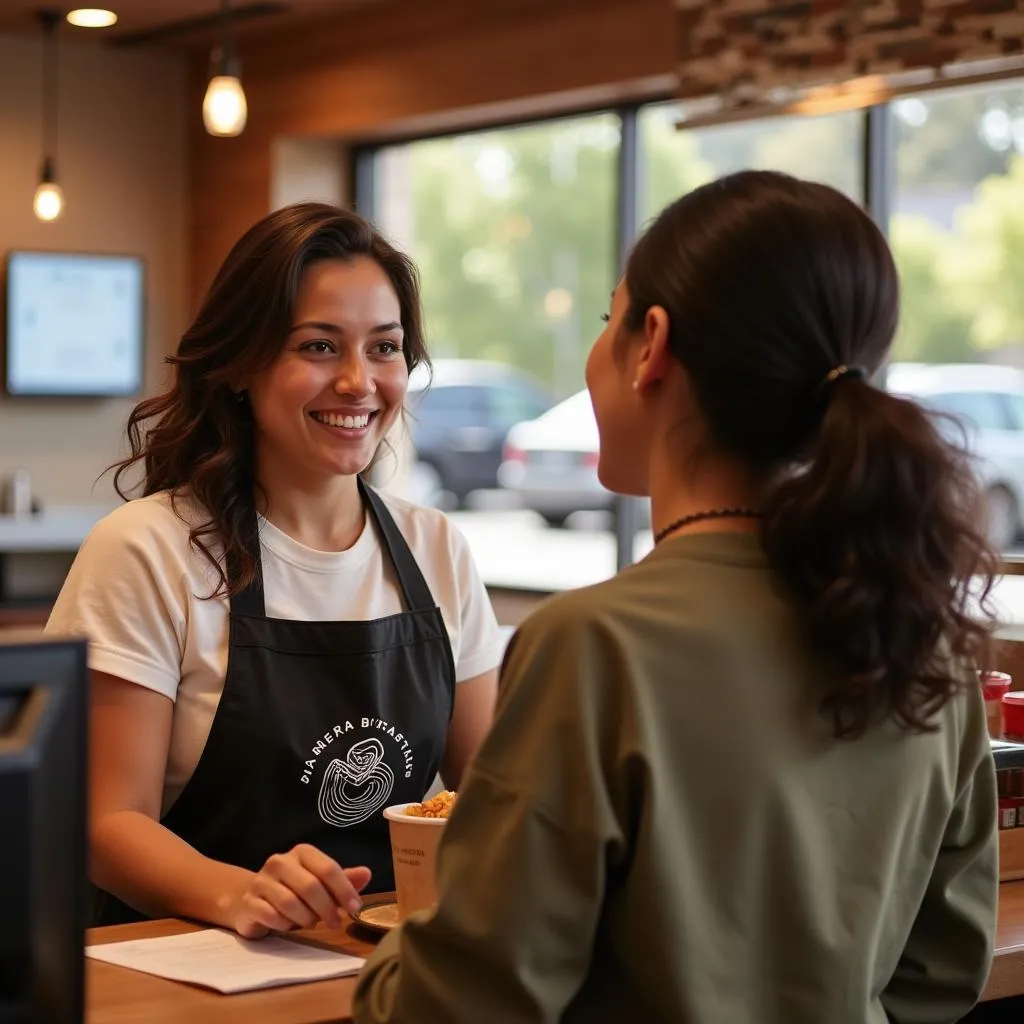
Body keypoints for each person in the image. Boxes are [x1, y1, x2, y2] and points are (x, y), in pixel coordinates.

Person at [353, 170, 1000, 1024]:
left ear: (650, 343)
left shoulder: (594, 646)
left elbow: (460, 1004)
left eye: (605, 319)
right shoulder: (928, 644)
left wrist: (394, 949)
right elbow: (943, 974)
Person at [45, 202, 503, 937]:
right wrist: (239, 895)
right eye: (320, 347)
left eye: (384, 348)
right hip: (189, 968)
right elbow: (106, 823)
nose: (359, 382)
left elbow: (491, 794)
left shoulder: (436, 548)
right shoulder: (147, 551)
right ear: (240, 366)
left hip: (386, 966)